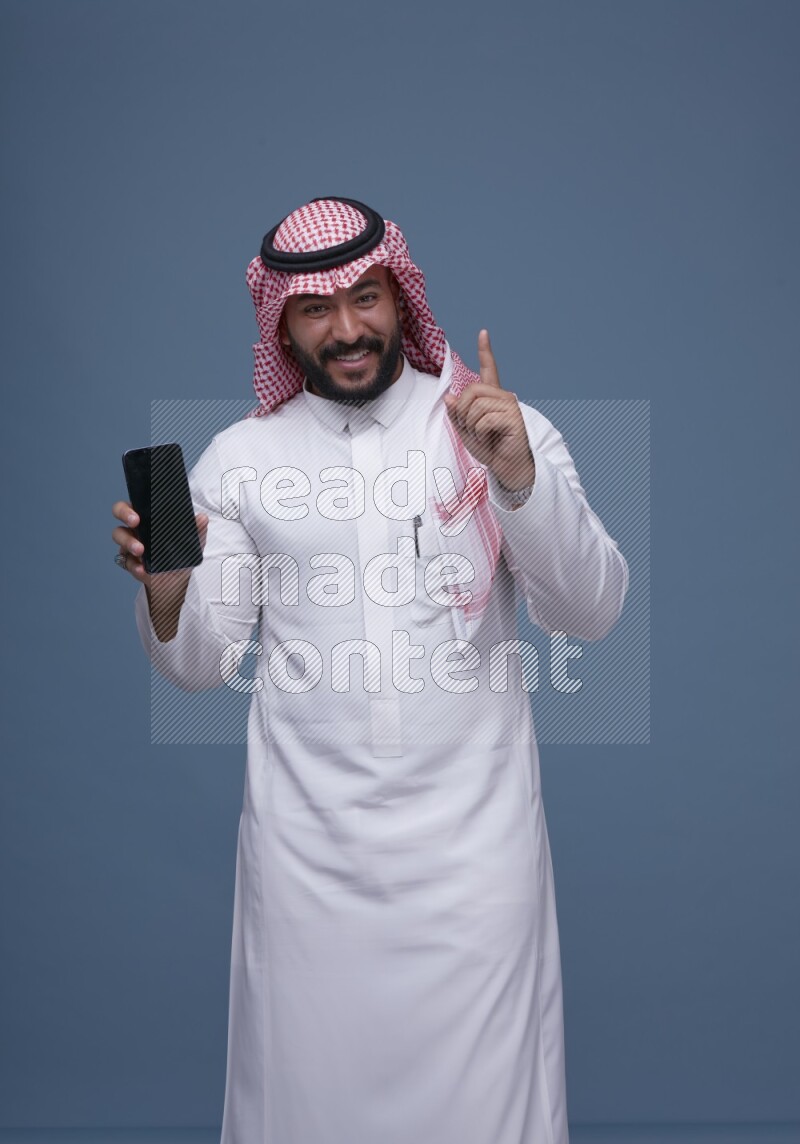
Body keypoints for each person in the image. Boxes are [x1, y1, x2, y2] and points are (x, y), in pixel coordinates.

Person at [112, 197, 628, 1144]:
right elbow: (198, 666)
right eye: (318, 309)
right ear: (282, 322)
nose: (348, 328)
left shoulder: (491, 422)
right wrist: (166, 591)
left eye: (367, 297)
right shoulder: (239, 462)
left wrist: (515, 478)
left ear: (401, 295)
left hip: (477, 866)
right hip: (308, 870)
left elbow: (590, 612)